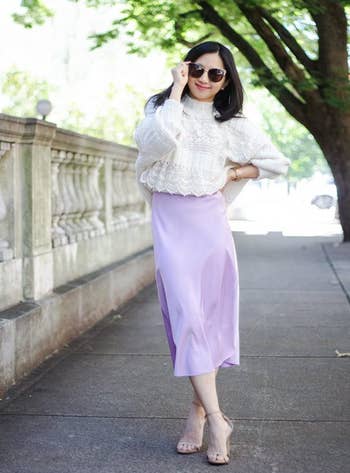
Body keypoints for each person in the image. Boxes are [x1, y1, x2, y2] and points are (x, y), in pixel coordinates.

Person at [134, 41, 291, 466]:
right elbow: (154, 143)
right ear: (185, 70)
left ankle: (200, 413)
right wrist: (174, 91)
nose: (203, 80)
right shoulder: (161, 109)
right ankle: (219, 418)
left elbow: (278, 163)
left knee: (207, 320)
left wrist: (236, 171)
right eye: (196, 70)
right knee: (186, 316)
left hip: (209, 223)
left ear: (226, 81)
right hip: (170, 221)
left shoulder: (233, 122)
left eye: (214, 74)